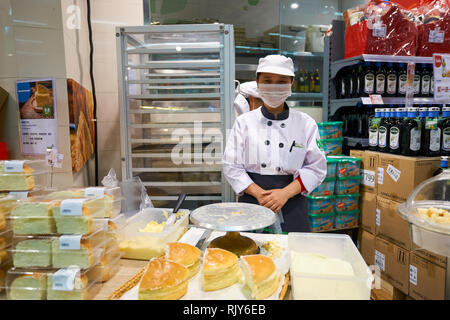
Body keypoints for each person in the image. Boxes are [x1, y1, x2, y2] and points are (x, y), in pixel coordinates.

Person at [223, 55, 327, 232]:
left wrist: (284, 194)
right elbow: (231, 165)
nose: (274, 86)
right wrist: (259, 194)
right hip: (252, 199)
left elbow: (316, 167)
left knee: (294, 253)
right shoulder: (244, 122)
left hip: (292, 202)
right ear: (257, 82)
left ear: (291, 83)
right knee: (251, 253)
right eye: (268, 80)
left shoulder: (305, 123)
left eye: (281, 81)